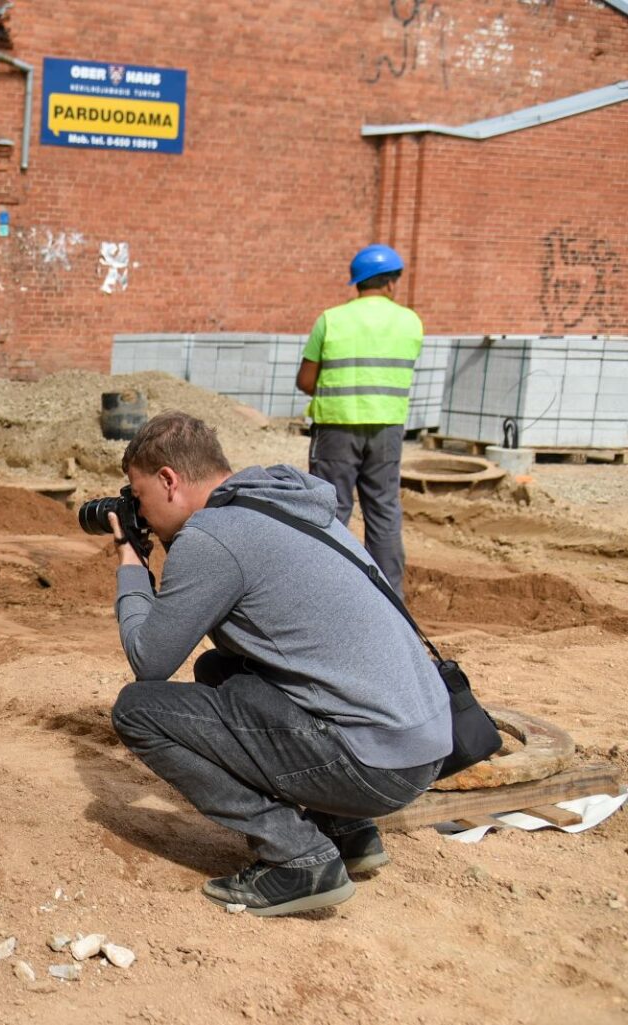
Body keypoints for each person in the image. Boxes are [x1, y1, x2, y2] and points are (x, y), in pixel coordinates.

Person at [106, 411, 450, 917]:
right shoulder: (284, 505)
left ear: (169, 480)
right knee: (220, 670)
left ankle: (299, 857)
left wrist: (130, 563)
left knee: (138, 710)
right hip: (421, 745)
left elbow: (148, 660)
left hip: (373, 765)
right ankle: (347, 830)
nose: (140, 513)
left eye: (139, 497)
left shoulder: (215, 536)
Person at [296, 244, 423, 596]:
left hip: (336, 428)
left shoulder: (331, 320)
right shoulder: (410, 322)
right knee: (383, 510)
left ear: (357, 282)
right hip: (387, 430)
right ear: (391, 283)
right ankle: (389, 599)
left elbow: (306, 381)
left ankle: (331, 594)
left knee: (331, 509)